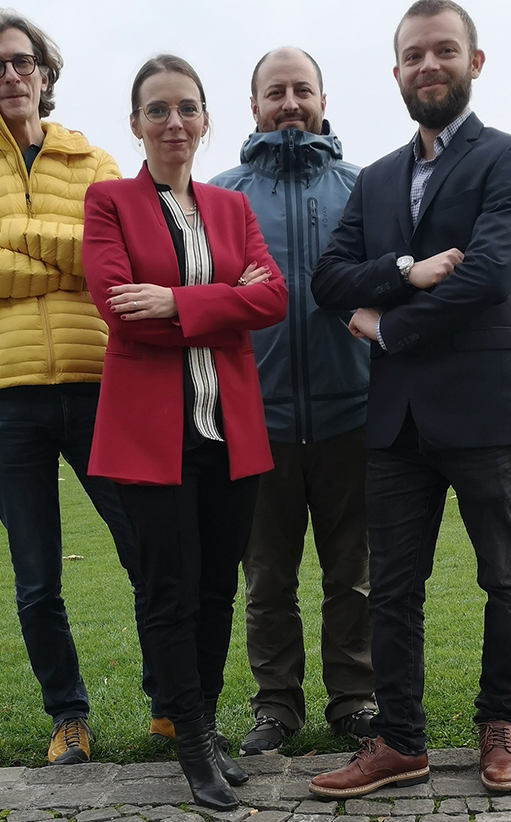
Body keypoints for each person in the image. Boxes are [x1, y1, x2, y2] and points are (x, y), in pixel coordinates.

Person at [306, 0, 511, 798]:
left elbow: (488, 275)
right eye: (413, 55)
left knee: (505, 577)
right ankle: (399, 740)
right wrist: (404, 272)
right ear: (397, 72)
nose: (428, 65)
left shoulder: (510, 158)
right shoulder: (373, 179)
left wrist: (385, 330)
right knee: (393, 588)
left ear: (473, 62)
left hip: (483, 409)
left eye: (443, 50)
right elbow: (327, 280)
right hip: (396, 424)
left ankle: (498, 722)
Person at [0, 8, 158, 766]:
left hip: (100, 383)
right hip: (5, 394)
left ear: (46, 74)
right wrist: (68, 261)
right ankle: (69, 717)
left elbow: (121, 254)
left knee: (147, 552)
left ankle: (170, 707)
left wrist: (19, 238)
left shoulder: (92, 164)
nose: (11, 75)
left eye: (23, 62)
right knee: (37, 577)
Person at [82, 54, 287, 810]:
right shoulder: (107, 203)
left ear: (206, 120)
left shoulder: (230, 209)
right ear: (136, 124)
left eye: (187, 108)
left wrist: (172, 301)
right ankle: (193, 738)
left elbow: (273, 299)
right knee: (168, 593)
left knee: (215, 592)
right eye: (158, 109)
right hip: (149, 436)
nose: (174, 123)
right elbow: (117, 309)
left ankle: (202, 722)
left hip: (228, 432)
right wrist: (216, 303)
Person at [208, 47, 376, 756]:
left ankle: (355, 698)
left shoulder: (364, 188)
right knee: (267, 580)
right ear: (252, 105)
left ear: (322, 97)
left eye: (300, 89)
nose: (288, 102)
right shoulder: (219, 196)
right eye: (274, 91)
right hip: (258, 420)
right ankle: (275, 706)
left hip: (354, 416)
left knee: (355, 577)